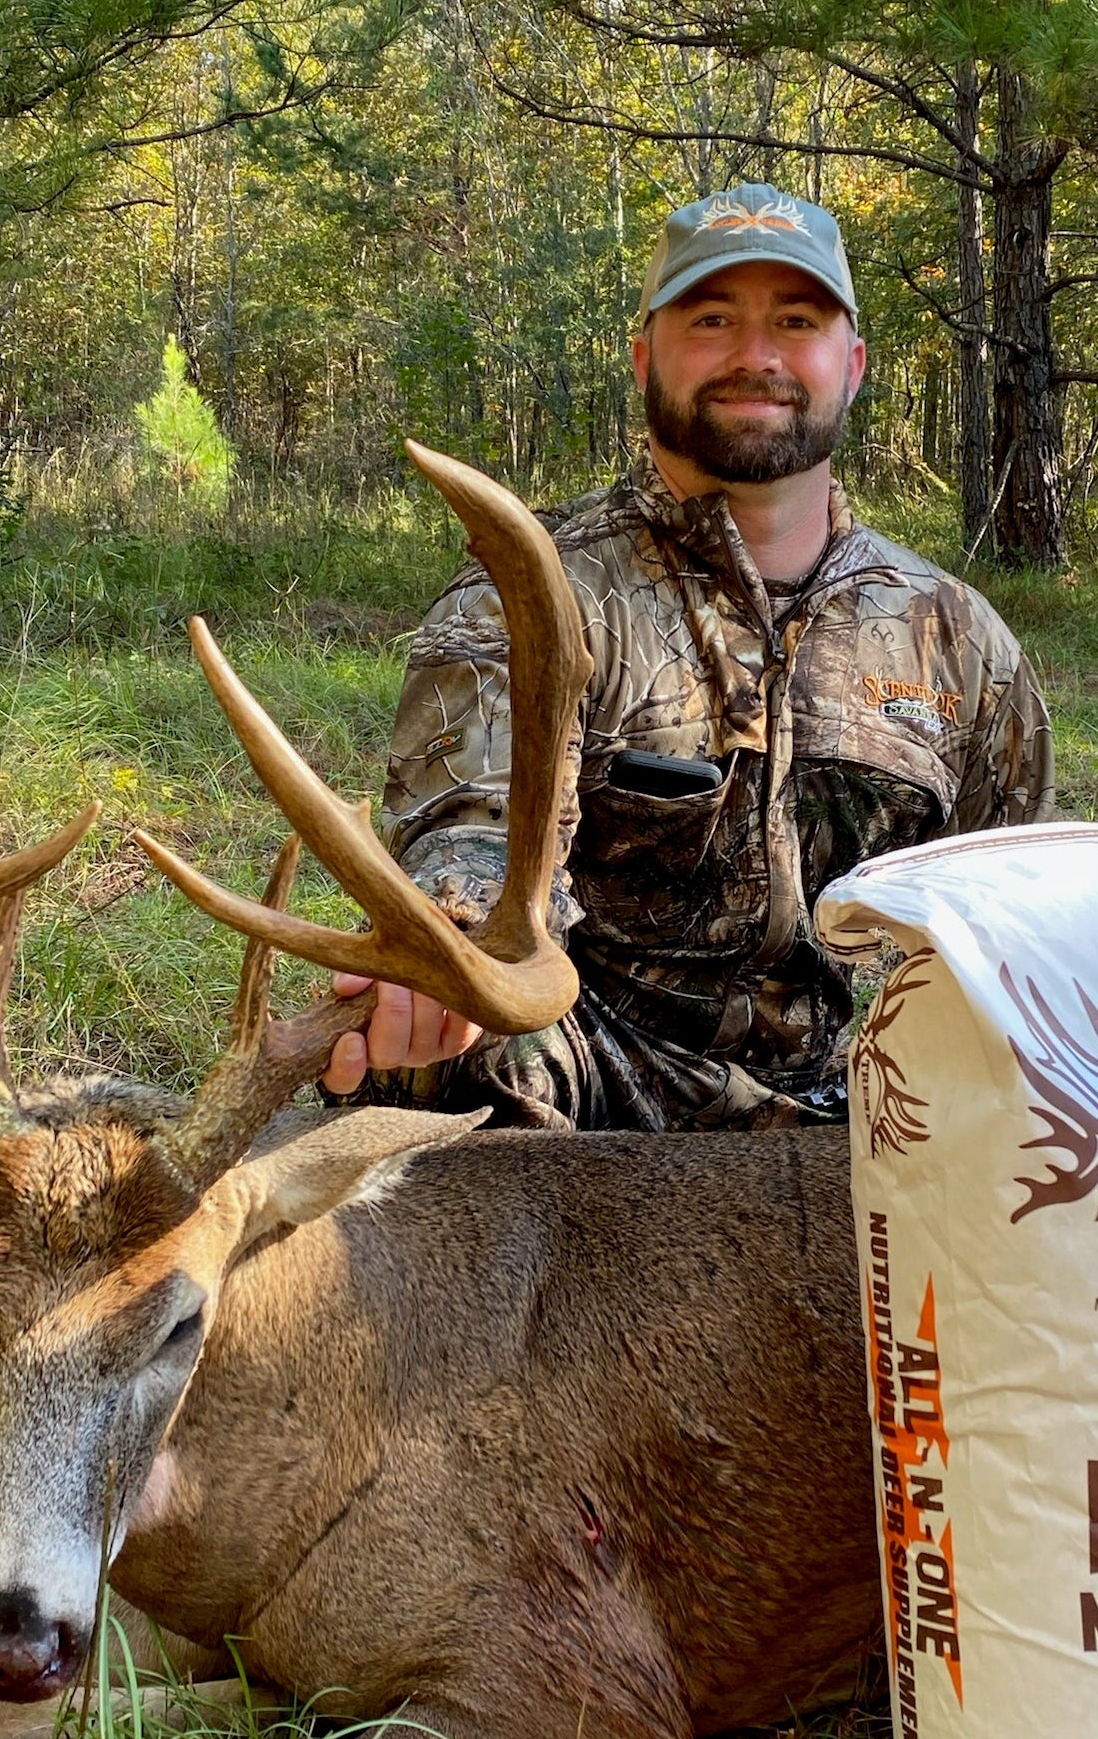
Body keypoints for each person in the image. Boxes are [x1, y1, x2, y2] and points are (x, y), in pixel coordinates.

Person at [324, 179, 1054, 1130]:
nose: (755, 357)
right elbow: (470, 829)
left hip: (851, 1121)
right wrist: (454, 932)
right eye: (711, 319)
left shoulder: (956, 640)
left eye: (796, 321)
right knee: (468, 1056)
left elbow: (1020, 919)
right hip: (584, 1097)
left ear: (855, 362)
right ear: (643, 358)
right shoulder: (534, 599)